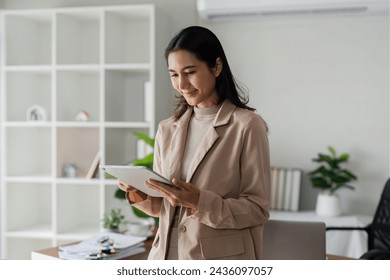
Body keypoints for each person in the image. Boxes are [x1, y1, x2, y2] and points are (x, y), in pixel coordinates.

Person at [118, 26, 270, 260]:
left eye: (189, 72)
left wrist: (199, 202)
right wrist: (139, 194)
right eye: (174, 74)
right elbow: (165, 208)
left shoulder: (248, 125)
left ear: (217, 67)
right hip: (165, 258)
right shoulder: (167, 129)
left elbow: (257, 209)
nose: (182, 84)